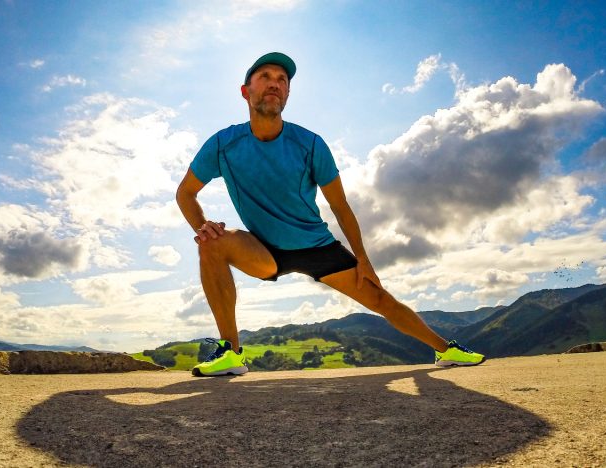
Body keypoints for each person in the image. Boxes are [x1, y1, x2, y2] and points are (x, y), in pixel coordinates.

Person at [176, 52, 485, 376]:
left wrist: (363, 258)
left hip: (316, 247)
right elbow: (186, 192)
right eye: (265, 76)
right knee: (210, 242)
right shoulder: (224, 144)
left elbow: (340, 206)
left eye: (282, 80)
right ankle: (232, 354)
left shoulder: (310, 145)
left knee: (381, 300)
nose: (275, 84)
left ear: (288, 94)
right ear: (245, 91)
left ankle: (446, 350)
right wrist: (202, 224)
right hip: (264, 249)